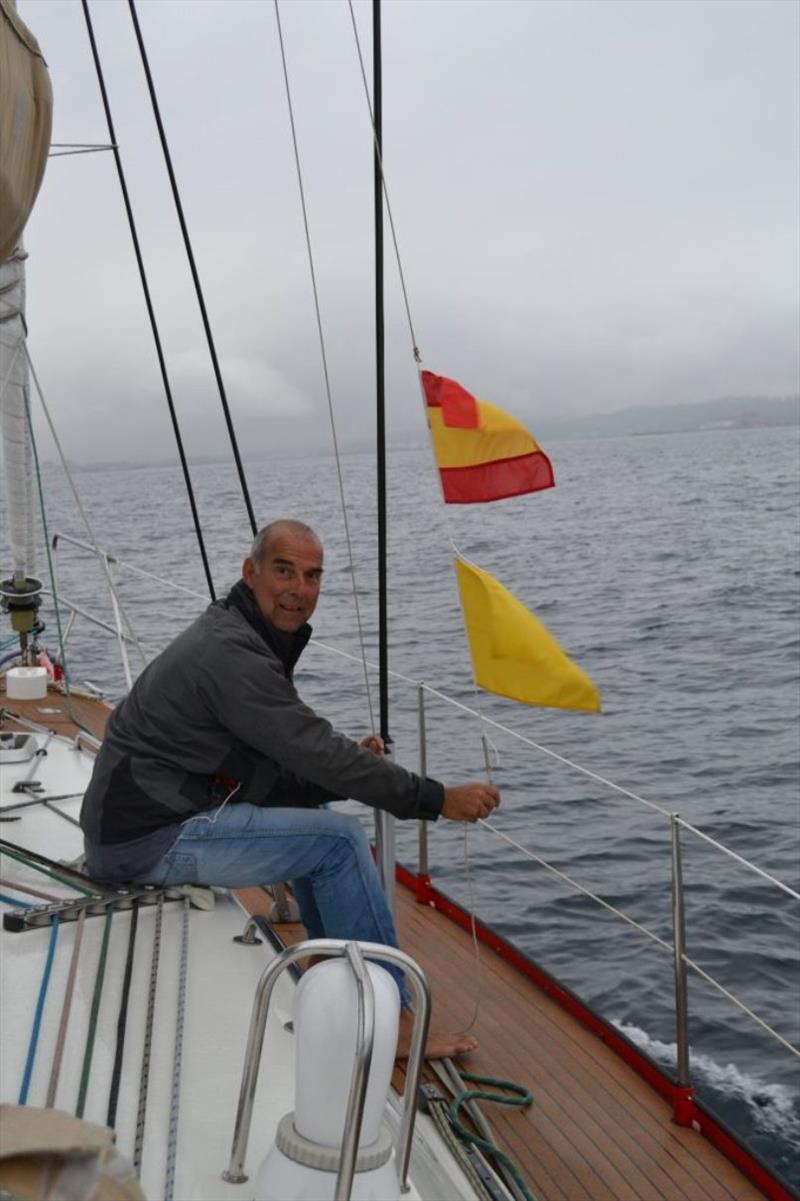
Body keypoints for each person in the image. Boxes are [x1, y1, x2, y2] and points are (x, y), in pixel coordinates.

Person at [80, 519, 500, 1058]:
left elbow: (278, 761)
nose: (300, 590)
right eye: (284, 571)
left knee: (321, 802)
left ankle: (329, 964)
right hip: (146, 839)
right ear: (250, 572)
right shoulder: (232, 655)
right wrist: (437, 799)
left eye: (312, 576)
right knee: (340, 842)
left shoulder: (237, 632)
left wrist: (336, 772)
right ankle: (387, 1024)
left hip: (146, 818)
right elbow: (313, 747)